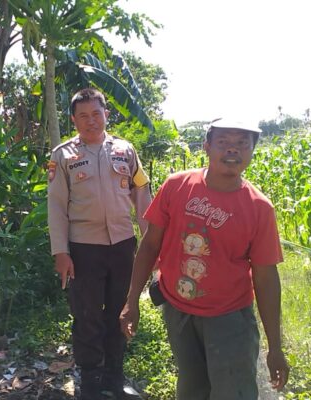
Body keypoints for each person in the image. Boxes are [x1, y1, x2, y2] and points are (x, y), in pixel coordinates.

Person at [119, 118, 290, 399]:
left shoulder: (259, 208)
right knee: (191, 387)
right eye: (223, 142)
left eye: (241, 144)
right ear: (207, 146)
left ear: (251, 151)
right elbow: (150, 245)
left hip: (230, 319)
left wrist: (275, 347)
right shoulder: (177, 186)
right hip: (178, 311)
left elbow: (266, 277)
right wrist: (131, 301)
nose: (232, 150)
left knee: (233, 392)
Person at [48, 88, 152, 400]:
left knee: (121, 311)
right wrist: (60, 252)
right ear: (73, 119)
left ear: (106, 114)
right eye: (83, 116)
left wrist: (152, 242)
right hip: (84, 249)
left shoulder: (125, 150)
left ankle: (115, 378)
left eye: (96, 113)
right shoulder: (63, 156)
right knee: (87, 314)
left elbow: (142, 196)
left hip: (123, 246)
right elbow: (55, 206)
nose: (91, 121)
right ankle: (90, 384)